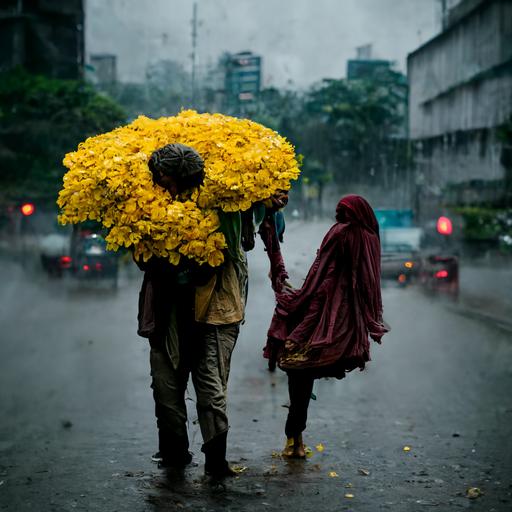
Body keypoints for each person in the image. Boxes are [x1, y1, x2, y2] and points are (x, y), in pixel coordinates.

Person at [136, 143, 250, 478]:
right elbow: (141, 258)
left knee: (211, 390)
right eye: (161, 180)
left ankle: (216, 461)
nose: (166, 188)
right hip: (166, 312)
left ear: (188, 179)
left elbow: (236, 248)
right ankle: (174, 453)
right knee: (165, 388)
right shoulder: (149, 206)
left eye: (170, 181)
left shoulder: (222, 207)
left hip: (212, 314)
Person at [263, 194, 389, 458]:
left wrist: (301, 295)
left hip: (323, 308)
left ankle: (294, 440)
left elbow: (321, 271)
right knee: (303, 372)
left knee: (297, 368)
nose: (337, 215)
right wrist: (369, 320)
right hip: (347, 318)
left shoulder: (341, 233)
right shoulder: (371, 239)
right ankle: (296, 440)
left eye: (340, 211)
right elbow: (367, 284)